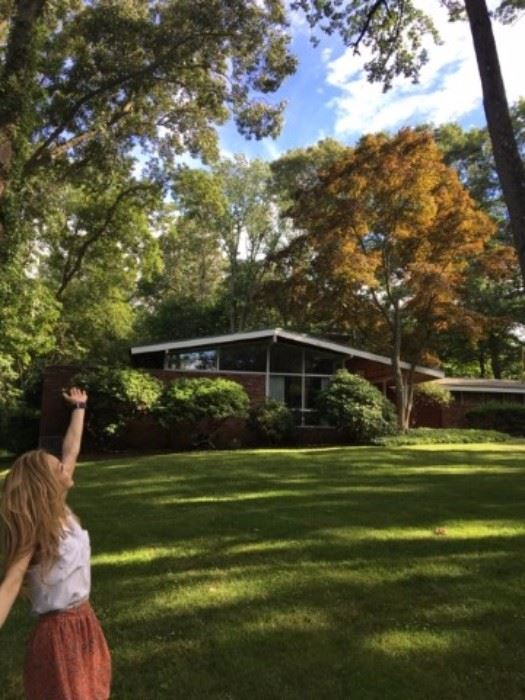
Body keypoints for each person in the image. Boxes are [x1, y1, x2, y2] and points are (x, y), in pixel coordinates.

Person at [0, 388, 111, 700]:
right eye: (58, 467)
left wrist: (80, 407)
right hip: (57, 635)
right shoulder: (37, 528)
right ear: (46, 484)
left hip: (84, 620)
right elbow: (10, 584)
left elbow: (71, 450)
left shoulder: (59, 507)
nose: (65, 466)